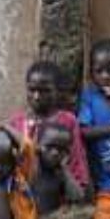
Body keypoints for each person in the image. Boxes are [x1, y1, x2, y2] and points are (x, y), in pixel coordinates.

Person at [8, 60, 90, 189]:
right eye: (32, 90)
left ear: (57, 91)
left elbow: (76, 157)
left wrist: (78, 184)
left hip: (57, 190)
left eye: (45, 91)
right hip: (23, 190)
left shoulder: (67, 121)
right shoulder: (17, 122)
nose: (36, 96)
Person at [79, 39, 110, 219]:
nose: (106, 76)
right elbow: (84, 131)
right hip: (106, 185)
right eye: (99, 71)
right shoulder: (90, 97)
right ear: (91, 73)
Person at [31, 122, 86, 216]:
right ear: (38, 144)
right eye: (49, 146)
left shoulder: (59, 172)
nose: (55, 153)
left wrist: (64, 168)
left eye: (61, 149)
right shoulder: (29, 167)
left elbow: (78, 198)